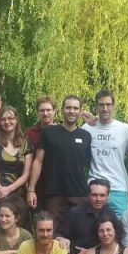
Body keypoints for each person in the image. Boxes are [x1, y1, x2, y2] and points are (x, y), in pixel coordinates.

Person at [28, 95, 91, 228]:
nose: (72, 111)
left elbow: (90, 166)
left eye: (75, 108)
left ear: (80, 111)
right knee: (53, 235)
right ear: (62, 110)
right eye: (68, 108)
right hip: (54, 194)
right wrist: (31, 189)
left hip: (79, 194)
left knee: (79, 234)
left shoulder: (86, 136)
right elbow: (38, 161)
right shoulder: (49, 133)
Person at [82, 89, 128, 216]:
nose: (105, 108)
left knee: (121, 229)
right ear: (96, 106)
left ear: (113, 106)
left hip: (119, 188)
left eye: (108, 104)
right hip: (95, 187)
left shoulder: (125, 129)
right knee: (93, 228)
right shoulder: (87, 129)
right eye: (101, 105)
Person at [0, 105, 34, 224]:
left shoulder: (27, 144)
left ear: (16, 120)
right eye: (3, 119)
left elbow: (26, 174)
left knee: (19, 228)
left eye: (10, 118)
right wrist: (0, 191)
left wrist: (9, 190)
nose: (7, 122)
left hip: (19, 193)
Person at [24, 96, 56, 210]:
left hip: (55, 186)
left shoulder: (61, 132)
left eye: (48, 110)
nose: (45, 113)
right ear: (37, 112)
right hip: (35, 185)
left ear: (54, 111)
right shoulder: (29, 133)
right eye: (42, 110)